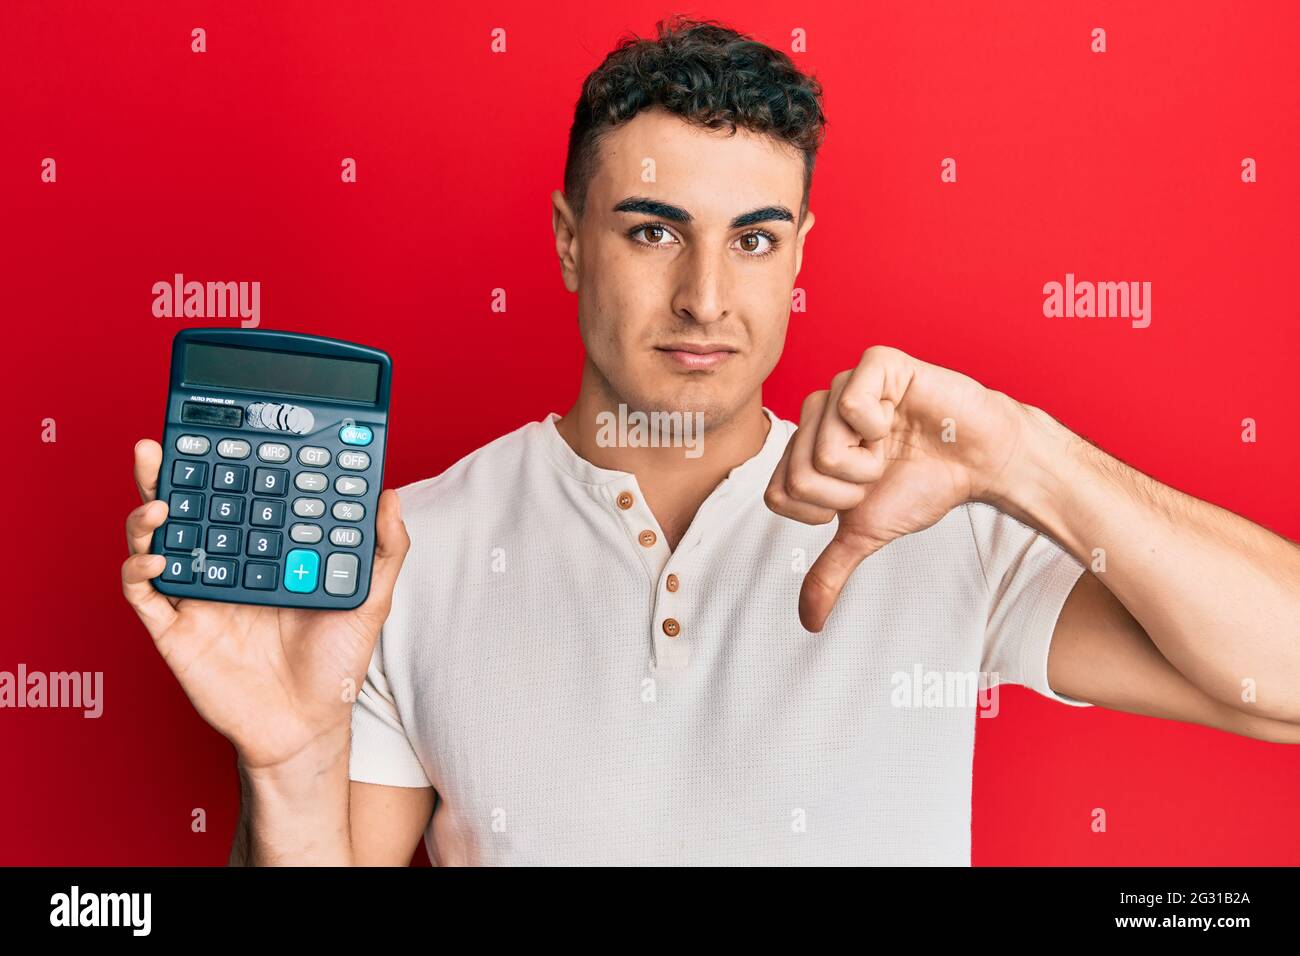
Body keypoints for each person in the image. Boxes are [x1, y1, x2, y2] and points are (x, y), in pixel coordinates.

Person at [121, 16, 1300, 866]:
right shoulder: (405, 547)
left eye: (752, 239)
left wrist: (1028, 454)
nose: (704, 299)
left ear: (798, 257)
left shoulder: (940, 522)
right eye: (652, 231)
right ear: (570, 239)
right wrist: (282, 763)